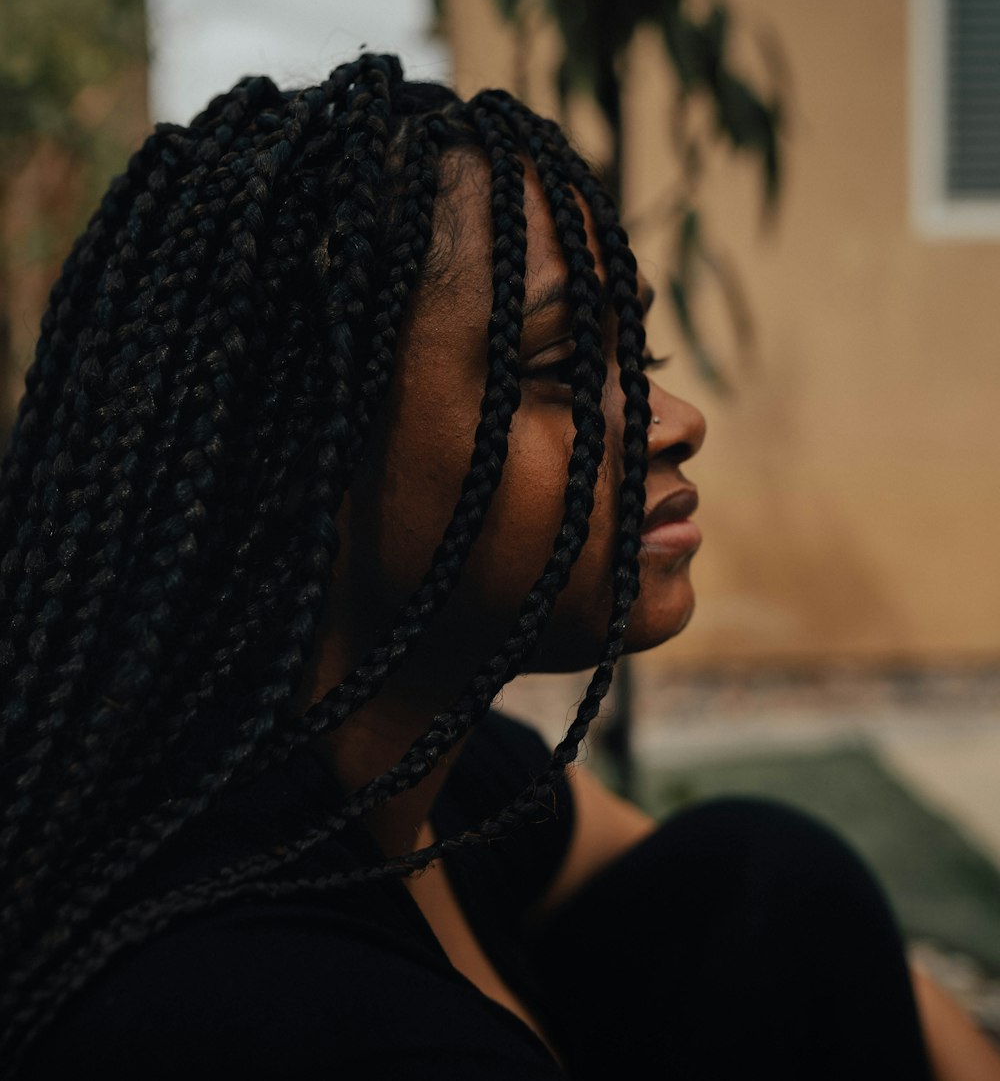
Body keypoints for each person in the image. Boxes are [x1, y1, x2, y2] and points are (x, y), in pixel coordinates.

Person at [0, 53, 995, 1079]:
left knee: (765, 879)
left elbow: (785, 918)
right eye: (565, 368)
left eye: (635, 360)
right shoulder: (291, 1020)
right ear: (308, 453)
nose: (677, 422)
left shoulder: (404, 771)